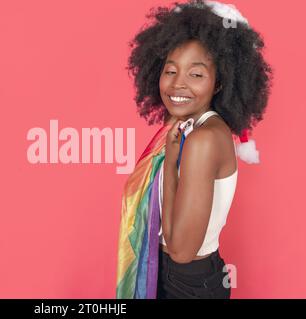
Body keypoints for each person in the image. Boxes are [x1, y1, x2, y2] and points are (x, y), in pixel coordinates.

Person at [116, 0, 272, 299]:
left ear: (218, 83)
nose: (178, 85)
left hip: (187, 283)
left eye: (196, 74)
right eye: (171, 71)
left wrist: (174, 162)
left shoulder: (204, 139)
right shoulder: (188, 128)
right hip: (174, 274)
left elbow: (182, 251)